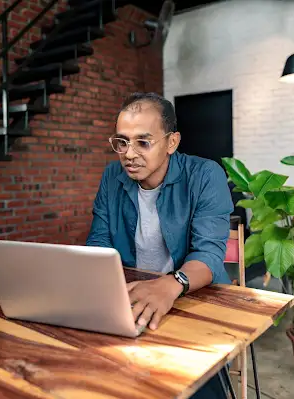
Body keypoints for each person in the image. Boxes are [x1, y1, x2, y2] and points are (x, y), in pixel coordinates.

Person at [86, 92, 234, 398]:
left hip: (194, 299)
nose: (128, 153)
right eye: (122, 142)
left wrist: (172, 284)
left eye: (143, 141)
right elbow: (99, 244)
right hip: (131, 298)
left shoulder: (206, 175)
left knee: (196, 387)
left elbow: (208, 254)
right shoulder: (112, 176)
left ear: (172, 142)